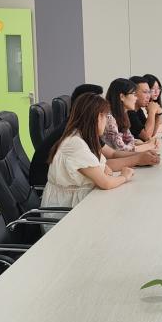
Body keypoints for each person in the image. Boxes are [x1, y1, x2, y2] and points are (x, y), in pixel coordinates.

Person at [29, 84, 159, 187]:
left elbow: (109, 157)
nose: (107, 119)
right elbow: (106, 178)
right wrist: (136, 161)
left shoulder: (82, 130)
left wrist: (140, 156)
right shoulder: (73, 138)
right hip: (52, 190)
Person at [41, 93, 134, 224]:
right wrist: (124, 176)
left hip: (78, 206)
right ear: (98, 117)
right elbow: (106, 183)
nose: (107, 121)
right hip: (64, 216)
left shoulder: (84, 137)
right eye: (106, 116)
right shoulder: (75, 144)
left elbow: (106, 169)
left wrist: (105, 174)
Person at [103, 78, 157, 153]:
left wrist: (146, 144)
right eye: (134, 94)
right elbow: (121, 149)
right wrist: (148, 146)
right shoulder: (109, 118)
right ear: (122, 97)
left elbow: (129, 139)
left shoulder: (123, 114)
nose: (136, 98)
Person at [128, 75, 161, 142]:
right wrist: (152, 111)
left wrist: (158, 114)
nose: (148, 96)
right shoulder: (129, 112)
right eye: (145, 92)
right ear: (133, 93)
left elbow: (152, 133)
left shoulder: (138, 110)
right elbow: (147, 136)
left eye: (149, 92)